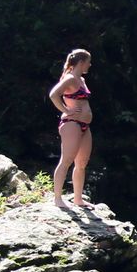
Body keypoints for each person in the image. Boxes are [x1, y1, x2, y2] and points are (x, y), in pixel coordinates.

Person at [48, 48, 94, 208]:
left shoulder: (81, 79)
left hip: (84, 125)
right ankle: (58, 199)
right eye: (88, 62)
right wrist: (66, 110)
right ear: (81, 63)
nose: (90, 65)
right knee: (66, 160)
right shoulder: (70, 79)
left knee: (81, 163)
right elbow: (54, 94)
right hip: (72, 124)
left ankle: (78, 199)